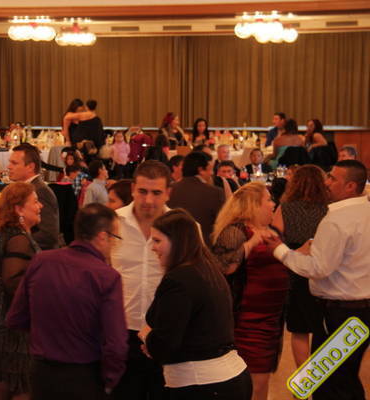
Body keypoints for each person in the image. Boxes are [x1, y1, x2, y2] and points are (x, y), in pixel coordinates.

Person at [267, 160, 370, 400]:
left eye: (333, 178)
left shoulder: (338, 220)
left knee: (332, 384)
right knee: (343, 377)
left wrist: (281, 251)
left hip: (341, 313)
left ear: (350, 186)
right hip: (360, 309)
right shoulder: (363, 212)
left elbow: (318, 268)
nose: (326, 182)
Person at [7, 203, 128, 399]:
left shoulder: (41, 261)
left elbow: (16, 317)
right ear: (102, 236)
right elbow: (116, 343)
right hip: (84, 376)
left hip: (42, 373)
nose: (114, 244)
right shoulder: (107, 276)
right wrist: (110, 380)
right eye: (114, 238)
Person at [141, 209, 252, 399]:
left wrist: (147, 337)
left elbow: (164, 345)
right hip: (228, 379)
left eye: (157, 241)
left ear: (177, 242)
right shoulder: (207, 269)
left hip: (204, 385)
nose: (153, 247)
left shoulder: (179, 279)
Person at [211, 182, 288, 400]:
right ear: (253, 205)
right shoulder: (236, 231)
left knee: (262, 379)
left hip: (271, 320)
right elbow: (223, 267)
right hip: (247, 320)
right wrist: (252, 243)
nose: (273, 204)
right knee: (254, 381)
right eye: (268, 200)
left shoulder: (272, 231)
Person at [111, 160, 172, 400]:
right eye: (142, 191)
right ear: (133, 189)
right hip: (121, 330)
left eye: (156, 193)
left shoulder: (185, 228)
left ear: (168, 193)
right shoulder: (113, 223)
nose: (148, 200)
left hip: (165, 332)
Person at [0, 182, 42, 400]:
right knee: (21, 385)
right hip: (7, 317)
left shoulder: (10, 234)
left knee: (4, 384)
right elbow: (13, 282)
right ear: (19, 209)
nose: (40, 206)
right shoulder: (19, 239)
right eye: (35, 202)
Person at [270, 165, 329, 368]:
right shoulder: (329, 208)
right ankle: (322, 375)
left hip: (295, 269)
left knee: (299, 329)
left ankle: (304, 377)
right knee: (324, 328)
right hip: (323, 269)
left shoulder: (285, 208)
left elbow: (275, 239)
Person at [8, 143, 60, 250]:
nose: (9, 166)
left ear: (30, 167)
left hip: (38, 256)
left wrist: (13, 243)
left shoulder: (40, 191)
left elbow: (49, 235)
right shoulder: (27, 188)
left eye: (14, 163)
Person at [168, 151, 225, 245]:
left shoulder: (169, 189)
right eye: (210, 169)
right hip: (203, 247)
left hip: (173, 245)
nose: (212, 173)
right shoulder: (215, 193)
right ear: (201, 170)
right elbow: (223, 224)